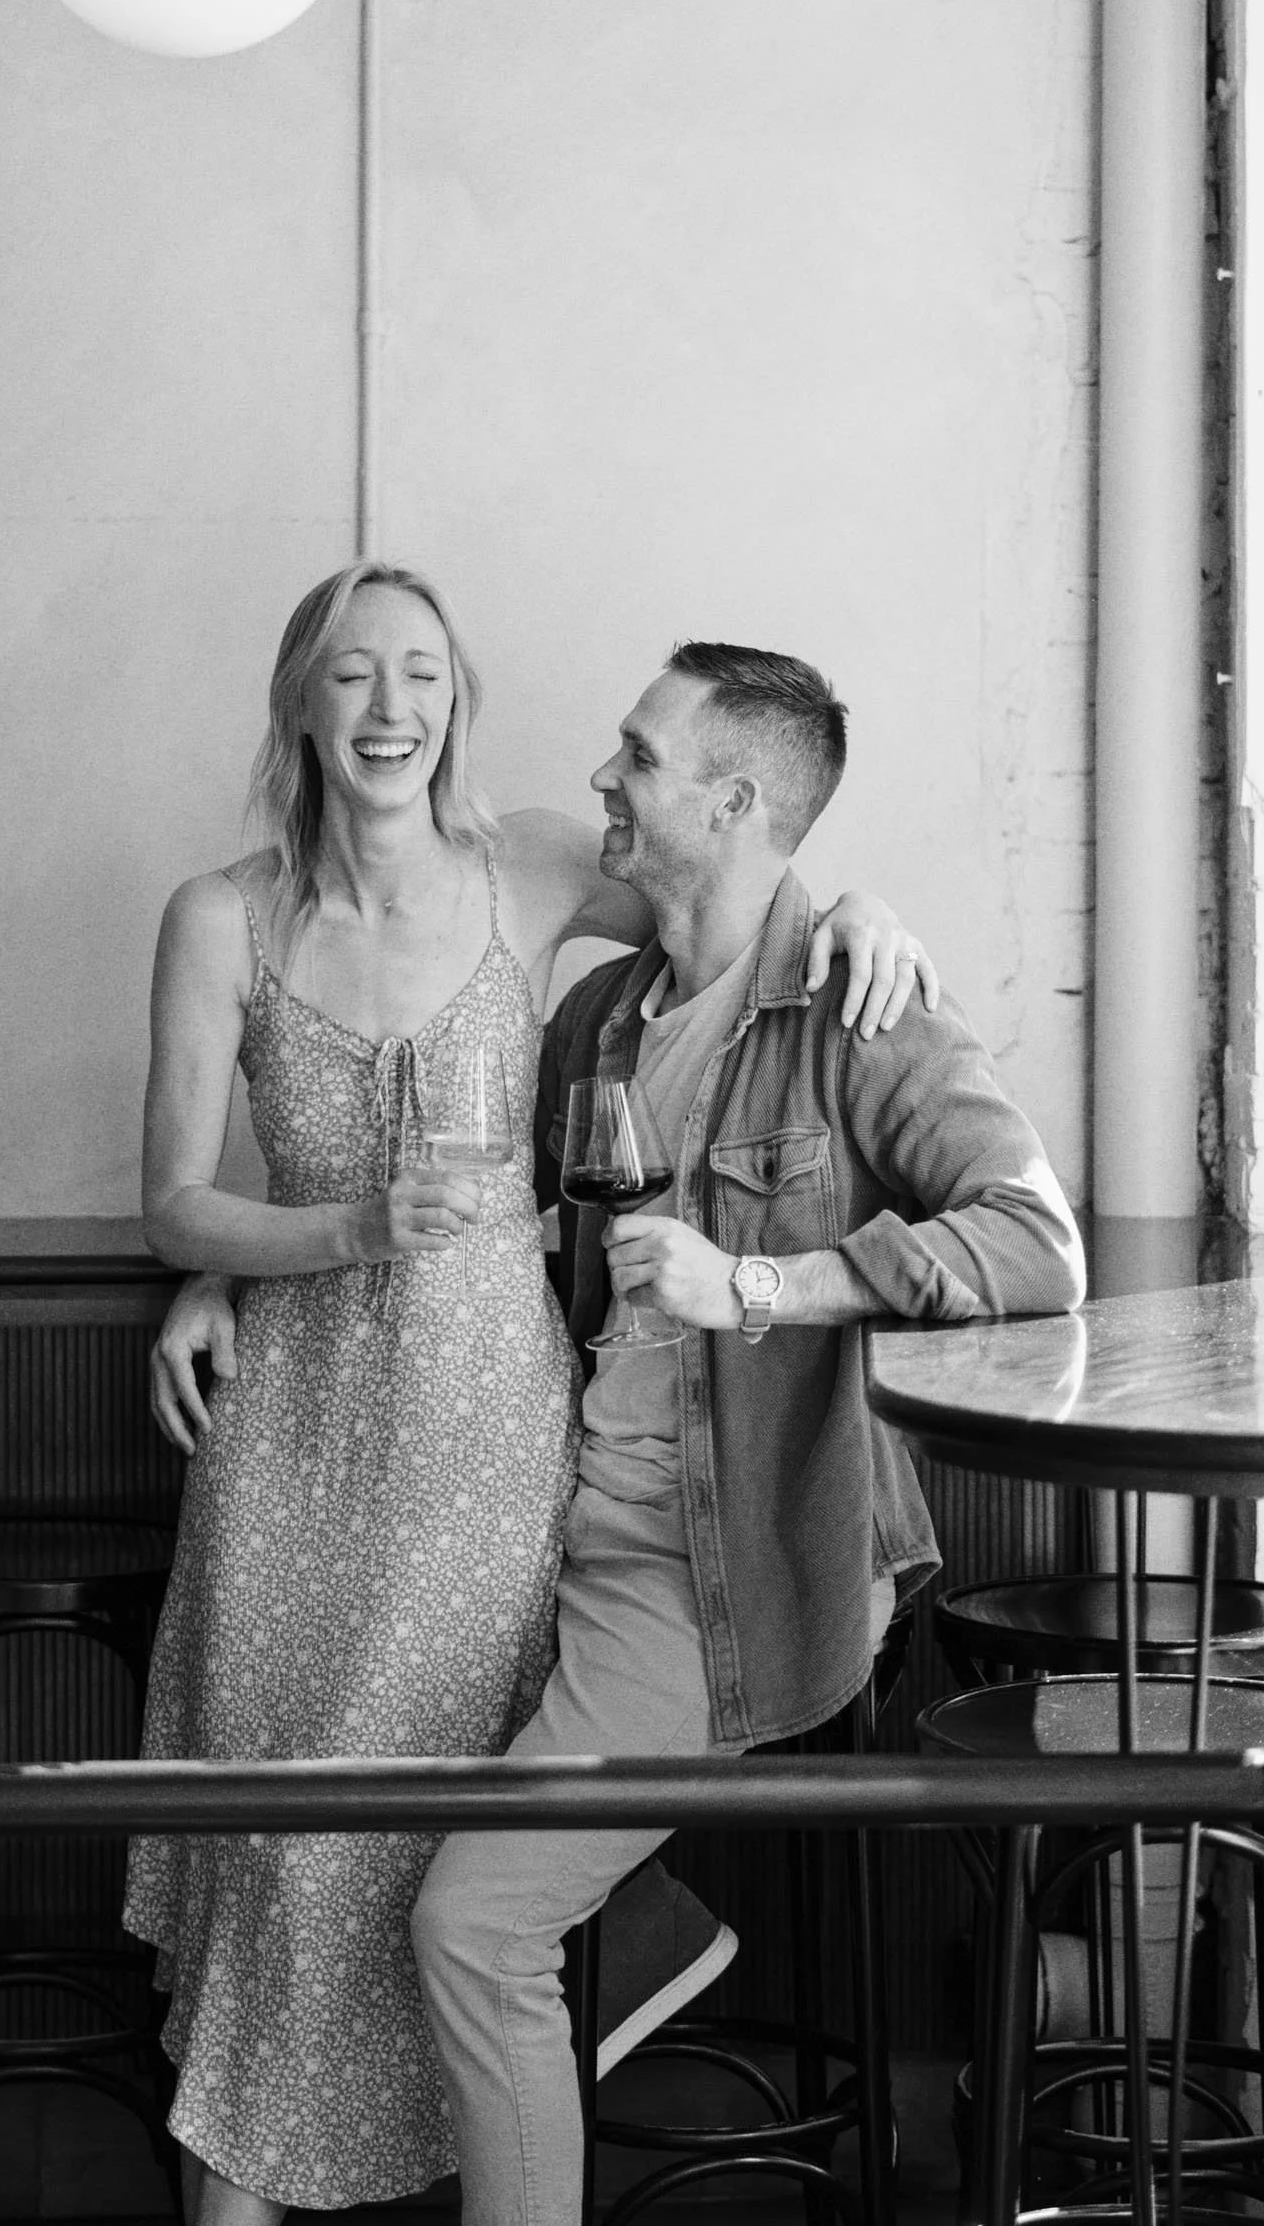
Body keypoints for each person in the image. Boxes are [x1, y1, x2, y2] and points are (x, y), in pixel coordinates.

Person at [123, 563, 936, 2226]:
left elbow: (736, 896)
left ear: (458, 702)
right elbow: (174, 1205)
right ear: (300, 704)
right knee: (270, 1861)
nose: (392, 708)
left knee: (408, 1859)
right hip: (286, 1442)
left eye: (423, 673)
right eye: (354, 674)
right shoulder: (219, 918)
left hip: (491, 1440)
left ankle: (610, 1972)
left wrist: (864, 912)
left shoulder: (536, 867)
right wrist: (309, 1241)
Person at [408, 638, 1087, 2226]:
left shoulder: (861, 1010)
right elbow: (486, 1239)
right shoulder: (601, 1017)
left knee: (471, 1928)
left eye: (640, 758)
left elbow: (1041, 1242)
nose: (604, 776)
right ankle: (644, 1921)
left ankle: (625, 1921)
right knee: (344, 1779)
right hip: (552, 1527)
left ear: (732, 804)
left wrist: (763, 1284)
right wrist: (219, 1274)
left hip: (714, 1569)